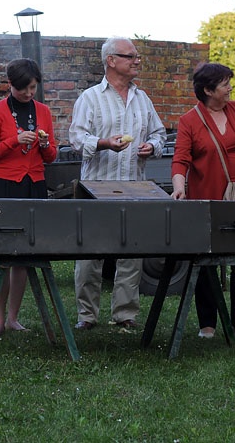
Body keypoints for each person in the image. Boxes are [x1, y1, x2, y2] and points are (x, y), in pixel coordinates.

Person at [68, 36, 166, 330]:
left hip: (134, 188)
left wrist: (152, 146)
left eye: (137, 57)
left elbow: (160, 133)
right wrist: (103, 143)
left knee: (131, 253)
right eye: (130, 56)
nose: (137, 61)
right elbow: (76, 139)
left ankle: (125, 315)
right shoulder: (90, 98)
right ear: (111, 61)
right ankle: (87, 316)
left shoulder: (143, 98)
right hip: (96, 188)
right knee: (89, 254)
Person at [170, 62, 235, 340]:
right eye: (224, 84)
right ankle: (207, 322)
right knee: (206, 261)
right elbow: (180, 160)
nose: (230, 87)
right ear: (209, 90)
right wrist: (178, 188)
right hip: (208, 200)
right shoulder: (190, 120)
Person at [0, 58, 58, 338]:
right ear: (11, 85)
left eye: (33, 88)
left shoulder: (43, 111)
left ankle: (13, 318)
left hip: (33, 183)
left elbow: (51, 157)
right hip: (3, 184)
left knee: (25, 254)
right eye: (23, 88)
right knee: (2, 255)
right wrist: (15, 140)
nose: (28, 94)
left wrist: (47, 145)